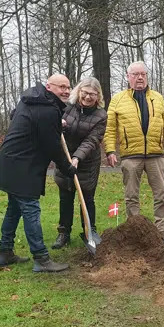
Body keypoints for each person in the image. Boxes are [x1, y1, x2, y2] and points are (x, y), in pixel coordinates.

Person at [0, 74, 77, 272]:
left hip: (10, 161)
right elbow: (52, 147)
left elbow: (15, 115)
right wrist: (68, 168)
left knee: (14, 208)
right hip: (22, 166)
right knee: (31, 210)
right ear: (49, 87)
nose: (66, 91)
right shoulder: (47, 110)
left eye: (68, 87)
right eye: (61, 87)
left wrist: (54, 124)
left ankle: (5, 252)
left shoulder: (31, 99)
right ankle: (41, 258)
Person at [104, 61, 164, 238]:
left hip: (155, 155)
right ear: (128, 77)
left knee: (161, 194)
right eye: (135, 74)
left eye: (143, 74)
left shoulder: (157, 98)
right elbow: (110, 129)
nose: (140, 77)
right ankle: (135, 232)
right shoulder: (118, 99)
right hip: (131, 156)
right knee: (131, 196)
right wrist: (110, 151)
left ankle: (162, 232)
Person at [52, 77, 107, 249]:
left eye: (92, 94)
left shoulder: (101, 115)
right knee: (65, 197)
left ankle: (89, 231)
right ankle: (64, 233)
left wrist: (77, 158)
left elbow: (92, 140)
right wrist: (59, 125)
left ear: (98, 96)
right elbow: (52, 125)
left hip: (87, 162)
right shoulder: (66, 107)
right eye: (85, 92)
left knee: (87, 198)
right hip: (65, 158)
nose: (88, 97)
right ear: (79, 91)